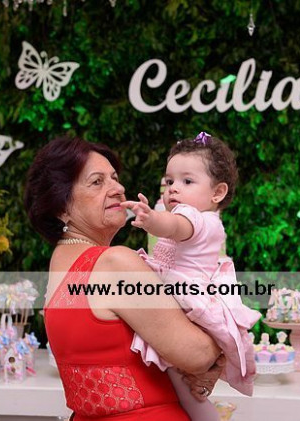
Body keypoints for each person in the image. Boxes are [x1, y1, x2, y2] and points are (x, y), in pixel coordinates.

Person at [24, 136, 225, 421]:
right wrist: (224, 344)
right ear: (62, 206)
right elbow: (197, 355)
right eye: (97, 182)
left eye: (115, 178)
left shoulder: (61, 261)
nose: (118, 189)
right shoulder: (113, 264)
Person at [121, 132, 261, 421]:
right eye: (169, 181)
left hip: (185, 300)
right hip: (182, 295)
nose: (173, 188)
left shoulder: (196, 218)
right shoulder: (203, 217)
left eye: (187, 181)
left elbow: (174, 226)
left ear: (217, 193)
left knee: (183, 384)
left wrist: (152, 220)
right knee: (182, 384)